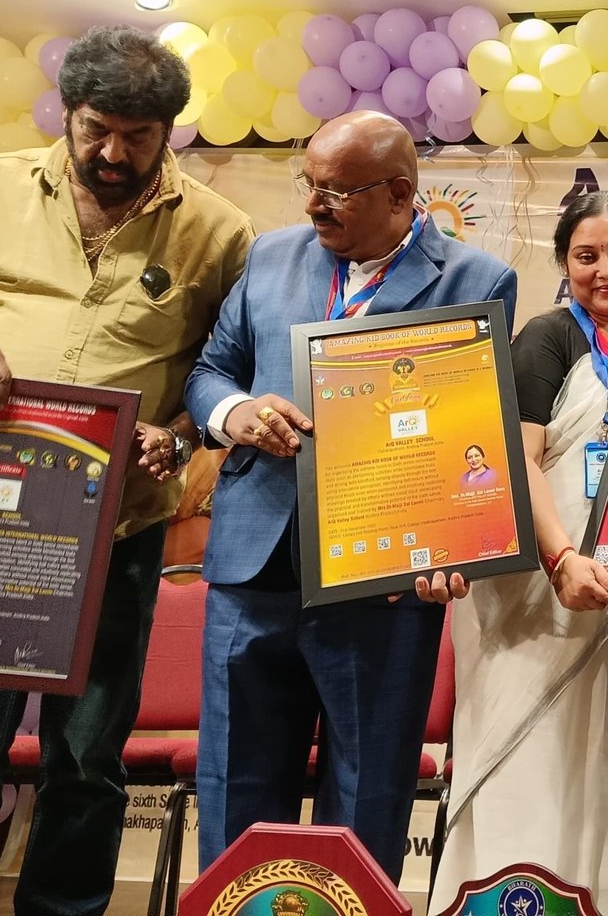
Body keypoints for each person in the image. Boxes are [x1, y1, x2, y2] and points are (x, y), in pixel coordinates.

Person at [184, 110, 517, 883]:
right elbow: (210, 372)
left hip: (384, 585)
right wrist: (236, 413)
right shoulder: (270, 255)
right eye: (309, 183)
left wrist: (454, 548)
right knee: (234, 793)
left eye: (335, 191)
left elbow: (471, 435)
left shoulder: (476, 280)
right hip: (252, 570)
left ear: (399, 194)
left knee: (366, 803)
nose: (313, 204)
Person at [0, 26, 253, 916]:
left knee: (86, 756)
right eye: (97, 129)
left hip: (118, 529)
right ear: (67, 112)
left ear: (170, 132)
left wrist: (178, 435)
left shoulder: (218, 233)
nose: (113, 153)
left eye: (138, 136)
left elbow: (225, 372)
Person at [430, 191, 608, 916]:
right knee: (530, 769)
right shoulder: (545, 340)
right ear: (563, 264)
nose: (604, 270)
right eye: (586, 256)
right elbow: (516, 463)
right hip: (535, 602)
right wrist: (560, 561)